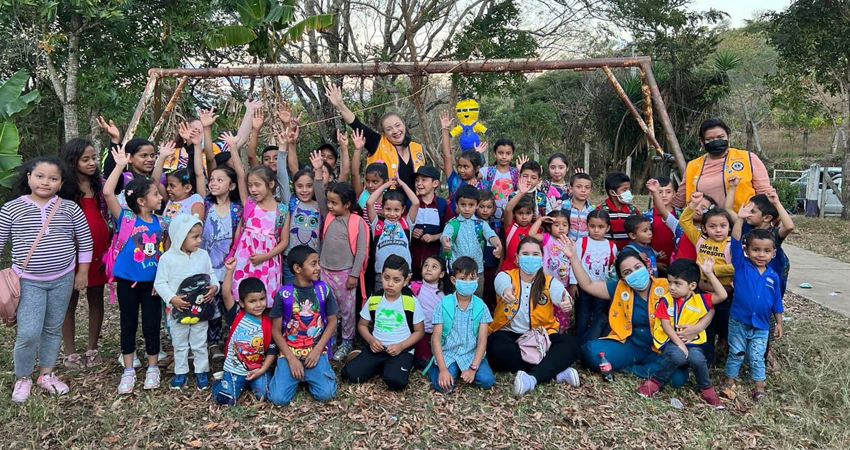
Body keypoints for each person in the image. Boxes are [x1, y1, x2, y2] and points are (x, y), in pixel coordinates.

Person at [2, 156, 93, 402]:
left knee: (53, 329)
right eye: (40, 176)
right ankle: (23, 378)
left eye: (53, 178)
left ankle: (46, 374)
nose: (46, 182)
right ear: (28, 177)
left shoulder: (70, 208)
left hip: (62, 278)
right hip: (27, 281)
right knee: (29, 332)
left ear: (61, 183)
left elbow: (84, 240)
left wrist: (82, 272)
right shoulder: (11, 209)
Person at [566, 243, 690, 387]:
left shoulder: (667, 285)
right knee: (591, 352)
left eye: (638, 267)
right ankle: (640, 365)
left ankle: (631, 369)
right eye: (627, 272)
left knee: (678, 378)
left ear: (647, 267)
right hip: (630, 345)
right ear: (623, 279)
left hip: (661, 348)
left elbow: (700, 303)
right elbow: (588, 285)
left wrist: (696, 328)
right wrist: (573, 257)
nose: (635, 273)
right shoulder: (619, 287)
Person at [104, 146, 168, 394]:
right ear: (141, 201)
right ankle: (129, 370)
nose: (160, 197)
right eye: (155, 194)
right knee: (128, 324)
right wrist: (119, 165)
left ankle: (153, 367)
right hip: (127, 282)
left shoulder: (162, 222)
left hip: (152, 285)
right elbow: (108, 192)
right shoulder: (127, 218)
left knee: (152, 325)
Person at [488, 237, 581, 396]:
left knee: (572, 344)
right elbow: (501, 284)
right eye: (525, 253)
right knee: (495, 347)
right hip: (509, 334)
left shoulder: (550, 281)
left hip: (542, 336)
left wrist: (566, 300)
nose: (530, 258)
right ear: (517, 258)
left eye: (535, 254)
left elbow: (560, 293)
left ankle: (533, 378)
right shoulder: (507, 276)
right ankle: (554, 371)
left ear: (542, 258)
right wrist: (506, 291)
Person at [637, 259, 726, 408]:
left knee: (698, 358)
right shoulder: (665, 300)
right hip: (670, 341)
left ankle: (706, 388)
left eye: (677, 283)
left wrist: (709, 273)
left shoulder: (700, 300)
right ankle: (655, 382)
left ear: (692, 286)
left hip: (693, 343)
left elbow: (722, 295)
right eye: (670, 282)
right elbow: (665, 325)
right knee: (677, 355)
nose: (671, 287)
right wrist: (679, 344)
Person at [58, 139, 111, 370]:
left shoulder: (99, 184)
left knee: (96, 296)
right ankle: (70, 352)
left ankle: (92, 349)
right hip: (70, 250)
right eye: (85, 159)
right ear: (73, 161)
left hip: (99, 249)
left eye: (93, 158)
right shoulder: (62, 187)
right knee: (68, 300)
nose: (92, 163)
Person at [722, 205, 784, 402]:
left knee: (757, 357)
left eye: (766, 251)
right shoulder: (741, 266)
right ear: (746, 251)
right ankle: (729, 381)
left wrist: (779, 322)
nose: (760, 254)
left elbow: (776, 301)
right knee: (736, 352)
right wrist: (739, 219)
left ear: (773, 253)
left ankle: (759, 388)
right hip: (739, 321)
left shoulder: (772, 276)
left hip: (761, 325)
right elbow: (735, 240)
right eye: (755, 249)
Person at [340, 255, 425, 391]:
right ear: (381, 275)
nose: (390, 284)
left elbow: (419, 331)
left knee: (396, 382)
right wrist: (371, 340)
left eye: (396, 280)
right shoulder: (375, 299)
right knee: (348, 375)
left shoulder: (411, 301)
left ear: (406, 280)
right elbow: (362, 325)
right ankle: (376, 363)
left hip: (400, 350)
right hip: (377, 349)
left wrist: (401, 346)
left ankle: (395, 364)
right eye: (386, 278)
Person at [154, 214, 218, 389]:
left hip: (200, 310)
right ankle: (180, 372)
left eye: (200, 236)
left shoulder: (203, 255)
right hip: (177, 311)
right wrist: (172, 299)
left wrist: (214, 287)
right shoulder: (167, 259)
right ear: (180, 237)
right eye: (195, 237)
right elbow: (160, 283)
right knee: (179, 343)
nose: (199, 241)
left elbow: (210, 275)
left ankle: (201, 371)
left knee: (199, 341)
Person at [268, 245, 338, 405]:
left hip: (315, 352)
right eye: (313, 264)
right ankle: (288, 373)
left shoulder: (323, 290)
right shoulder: (284, 294)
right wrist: (291, 359)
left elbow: (332, 321)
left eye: (318, 263)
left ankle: (310, 374)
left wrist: (318, 350)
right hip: (289, 352)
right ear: (297, 268)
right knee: (278, 399)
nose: (318, 268)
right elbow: (276, 331)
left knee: (326, 394)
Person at [201, 136, 248, 360]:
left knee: (228, 302)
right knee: (211, 306)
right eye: (212, 179)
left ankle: (233, 339)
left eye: (220, 180)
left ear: (231, 186)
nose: (214, 182)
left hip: (229, 265)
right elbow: (204, 168)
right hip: (206, 265)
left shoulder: (239, 209)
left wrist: (234, 148)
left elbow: (240, 175)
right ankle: (213, 343)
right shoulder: (205, 204)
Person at [326, 84, 425, 188]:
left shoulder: (417, 148)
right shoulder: (378, 143)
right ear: (384, 133)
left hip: (415, 203)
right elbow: (356, 124)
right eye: (389, 129)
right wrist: (340, 105)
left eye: (397, 125)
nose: (395, 131)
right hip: (383, 202)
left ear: (403, 124)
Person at [211, 259, 276, 405]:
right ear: (241, 303)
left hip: (258, 370)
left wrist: (262, 370)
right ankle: (218, 382)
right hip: (234, 370)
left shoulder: (268, 322)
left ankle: (254, 382)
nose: (258, 304)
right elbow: (226, 294)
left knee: (266, 395)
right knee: (226, 400)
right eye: (252, 301)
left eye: (262, 299)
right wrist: (229, 270)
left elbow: (272, 350)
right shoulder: (237, 315)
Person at [426, 256, 495, 393]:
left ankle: (462, 371)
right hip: (448, 354)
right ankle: (437, 368)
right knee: (444, 387)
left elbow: (482, 341)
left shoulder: (481, 306)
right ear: (453, 280)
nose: (468, 282)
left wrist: (473, 368)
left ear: (477, 280)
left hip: (471, 354)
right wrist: (443, 369)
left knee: (487, 381)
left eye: (472, 278)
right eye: (463, 279)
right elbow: (436, 338)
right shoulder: (443, 305)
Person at [673, 118, 771, 213]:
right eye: (709, 139)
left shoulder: (748, 158)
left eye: (720, 137)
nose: (716, 141)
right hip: (705, 226)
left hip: (744, 223)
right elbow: (681, 197)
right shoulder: (693, 166)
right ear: (701, 141)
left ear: (728, 137)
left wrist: (774, 218)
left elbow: (765, 193)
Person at [317, 181, 369, 361]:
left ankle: (346, 341)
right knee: (327, 307)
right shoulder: (329, 216)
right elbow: (318, 193)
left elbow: (361, 251)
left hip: (345, 273)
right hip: (325, 271)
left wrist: (354, 274)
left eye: (334, 203)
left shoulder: (358, 222)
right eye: (328, 202)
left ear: (347, 204)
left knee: (347, 310)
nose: (329, 206)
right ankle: (329, 339)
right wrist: (318, 175)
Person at [229, 165, 290, 307]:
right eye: (250, 185)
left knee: (265, 297)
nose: (253, 189)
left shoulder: (282, 211)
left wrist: (265, 256)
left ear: (271, 184)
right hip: (244, 258)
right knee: (242, 294)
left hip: (267, 262)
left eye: (257, 185)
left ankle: (265, 327)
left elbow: (284, 241)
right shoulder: (249, 203)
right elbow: (240, 230)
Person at [440, 185, 503, 296]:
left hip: (477, 272)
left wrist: (498, 245)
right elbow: (446, 236)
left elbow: (491, 235)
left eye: (471, 205)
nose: (467, 209)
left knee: (476, 299)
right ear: (456, 204)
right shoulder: (453, 223)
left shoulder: (481, 224)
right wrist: (445, 242)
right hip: (458, 273)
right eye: (463, 204)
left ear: (477, 205)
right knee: (457, 299)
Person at [569, 209, 617, 344]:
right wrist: (573, 283)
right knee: (583, 314)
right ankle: (578, 341)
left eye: (600, 227)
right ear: (587, 226)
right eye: (592, 226)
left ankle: (594, 339)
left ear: (607, 228)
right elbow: (574, 261)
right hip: (584, 285)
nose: (596, 230)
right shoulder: (582, 242)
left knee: (598, 314)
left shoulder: (611, 245)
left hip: (602, 287)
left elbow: (612, 269)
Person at [366, 173, 420, 291]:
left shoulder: (406, 223)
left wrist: (402, 184)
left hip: (403, 276)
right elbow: (369, 202)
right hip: (382, 275)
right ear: (382, 208)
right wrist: (386, 185)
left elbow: (416, 202)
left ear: (403, 209)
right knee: (380, 306)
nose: (392, 214)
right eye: (388, 209)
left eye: (396, 210)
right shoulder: (377, 225)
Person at [529, 210, 574, 332]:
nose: (561, 228)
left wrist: (573, 283)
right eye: (556, 225)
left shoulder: (570, 242)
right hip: (545, 282)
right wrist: (540, 220)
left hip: (564, 283)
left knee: (561, 308)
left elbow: (574, 262)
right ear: (549, 227)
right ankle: (543, 330)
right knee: (545, 306)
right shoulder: (546, 238)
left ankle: (560, 331)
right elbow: (531, 235)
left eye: (565, 225)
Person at [410, 165, 452, 281]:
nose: (419, 183)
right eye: (417, 180)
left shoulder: (442, 205)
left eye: (424, 180)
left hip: (435, 263)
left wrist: (435, 237)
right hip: (413, 261)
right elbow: (403, 226)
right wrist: (412, 232)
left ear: (435, 183)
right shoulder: (411, 204)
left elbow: (451, 229)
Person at [441, 110, 488, 211]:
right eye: (459, 166)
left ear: (477, 168)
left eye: (466, 167)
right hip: (454, 225)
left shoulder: (485, 185)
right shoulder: (454, 180)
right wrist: (445, 129)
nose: (461, 170)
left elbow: (487, 209)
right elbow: (446, 155)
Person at [410, 255, 449, 369]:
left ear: (441, 274)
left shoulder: (444, 295)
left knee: (440, 357)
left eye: (434, 267)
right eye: (426, 265)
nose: (428, 269)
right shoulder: (414, 287)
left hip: (438, 334)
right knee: (424, 360)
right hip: (419, 333)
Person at [643, 177, 680, 275]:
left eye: (668, 192)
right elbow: (641, 242)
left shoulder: (682, 215)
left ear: (674, 193)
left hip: (678, 265)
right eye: (660, 192)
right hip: (653, 266)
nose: (664, 195)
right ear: (652, 194)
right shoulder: (646, 216)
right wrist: (654, 262)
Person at [598, 172, 640, 250]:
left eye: (628, 189)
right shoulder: (600, 211)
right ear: (612, 192)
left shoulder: (633, 211)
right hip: (607, 251)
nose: (628, 193)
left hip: (629, 253)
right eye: (624, 190)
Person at [501, 183, 538, 272]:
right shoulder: (510, 226)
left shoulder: (536, 229)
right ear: (514, 214)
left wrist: (540, 220)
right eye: (520, 213)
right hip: (509, 271)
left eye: (528, 213)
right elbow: (508, 209)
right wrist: (521, 193)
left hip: (528, 272)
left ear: (533, 214)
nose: (524, 217)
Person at [478, 138, 518, 220]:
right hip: (489, 218)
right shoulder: (487, 171)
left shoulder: (516, 173)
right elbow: (473, 175)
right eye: (500, 153)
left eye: (508, 153)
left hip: (510, 218)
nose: (504, 157)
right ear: (494, 154)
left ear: (512, 155)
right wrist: (477, 155)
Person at [476, 189, 501, 311]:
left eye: (488, 207)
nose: (485, 210)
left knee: (490, 291)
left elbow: (502, 246)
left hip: (492, 264)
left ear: (494, 208)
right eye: (481, 207)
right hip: (476, 265)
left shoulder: (496, 225)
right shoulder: (473, 223)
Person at [562, 172, 594, 241]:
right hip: (565, 246)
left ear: (591, 191)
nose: (583, 190)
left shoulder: (592, 210)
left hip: (585, 248)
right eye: (578, 186)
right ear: (570, 188)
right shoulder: (563, 206)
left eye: (587, 187)